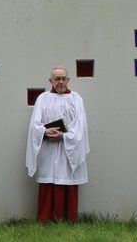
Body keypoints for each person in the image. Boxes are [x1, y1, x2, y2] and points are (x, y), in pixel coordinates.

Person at [25, 66, 90, 223]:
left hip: (69, 149)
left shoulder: (76, 98)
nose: (60, 82)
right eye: (57, 79)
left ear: (68, 80)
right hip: (49, 149)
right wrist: (44, 132)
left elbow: (81, 125)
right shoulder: (43, 98)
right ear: (51, 81)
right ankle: (46, 218)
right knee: (49, 180)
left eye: (63, 78)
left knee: (67, 179)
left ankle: (69, 219)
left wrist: (64, 136)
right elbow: (35, 124)